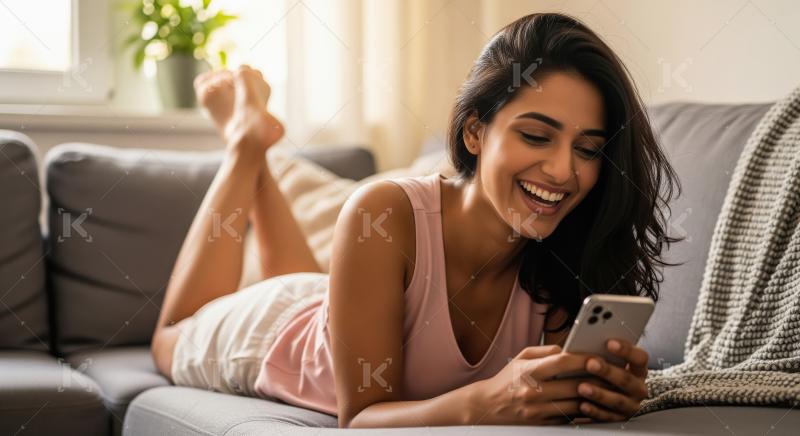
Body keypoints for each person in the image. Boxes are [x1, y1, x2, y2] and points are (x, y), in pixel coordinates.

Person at [150, 12, 682, 428]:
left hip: (334, 305)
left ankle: (260, 150)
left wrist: (599, 392)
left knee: (312, 290)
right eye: (536, 136)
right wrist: (490, 400)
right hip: (272, 334)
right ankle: (246, 144)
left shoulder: (567, 253)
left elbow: (551, 407)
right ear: (475, 133)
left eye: (587, 150)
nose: (564, 170)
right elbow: (359, 418)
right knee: (169, 338)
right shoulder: (384, 211)